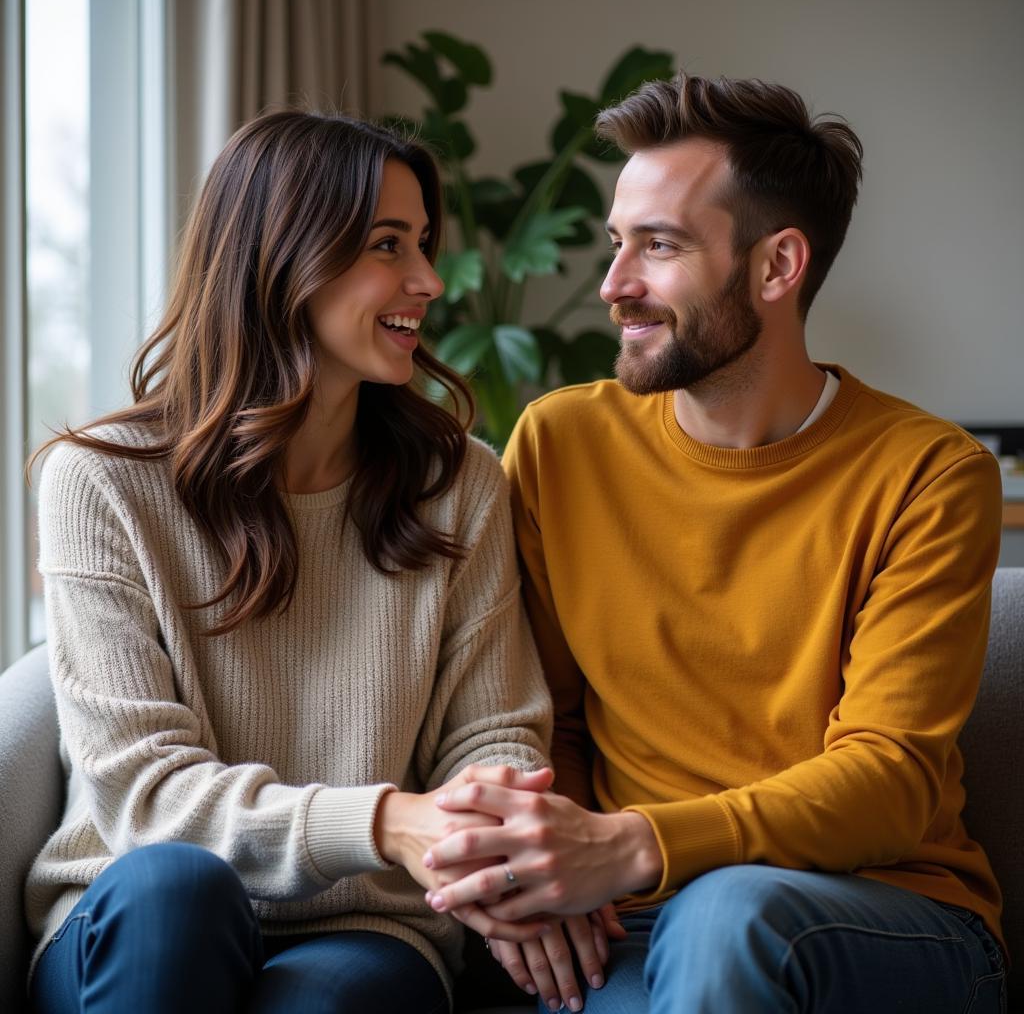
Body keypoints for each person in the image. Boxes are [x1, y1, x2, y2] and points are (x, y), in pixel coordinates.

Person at [420, 74, 1008, 1012]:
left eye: (660, 246)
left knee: (730, 915)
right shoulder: (559, 443)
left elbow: (890, 780)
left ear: (777, 267)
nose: (614, 286)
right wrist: (556, 868)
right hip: (634, 913)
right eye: (619, 244)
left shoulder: (929, 474)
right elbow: (551, 720)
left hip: (885, 912)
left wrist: (634, 844)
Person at [24, 110, 558, 1014]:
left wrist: (487, 844)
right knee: (177, 891)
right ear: (283, 260)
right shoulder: (101, 485)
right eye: (389, 245)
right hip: (131, 916)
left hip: (365, 927)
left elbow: (494, 731)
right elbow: (143, 799)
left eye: (423, 244)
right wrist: (386, 822)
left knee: (335, 1000)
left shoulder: (458, 482)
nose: (428, 281)